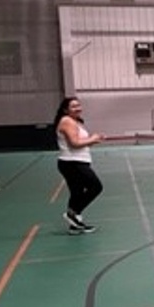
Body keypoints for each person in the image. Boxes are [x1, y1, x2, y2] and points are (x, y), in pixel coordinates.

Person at [55, 96, 105, 234]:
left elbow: (80, 142)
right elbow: (74, 144)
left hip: (76, 161)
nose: (78, 108)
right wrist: (92, 139)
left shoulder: (75, 121)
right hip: (72, 162)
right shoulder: (67, 121)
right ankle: (73, 213)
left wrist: (94, 140)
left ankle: (75, 225)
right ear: (66, 109)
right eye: (73, 106)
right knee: (95, 187)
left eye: (79, 105)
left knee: (76, 192)